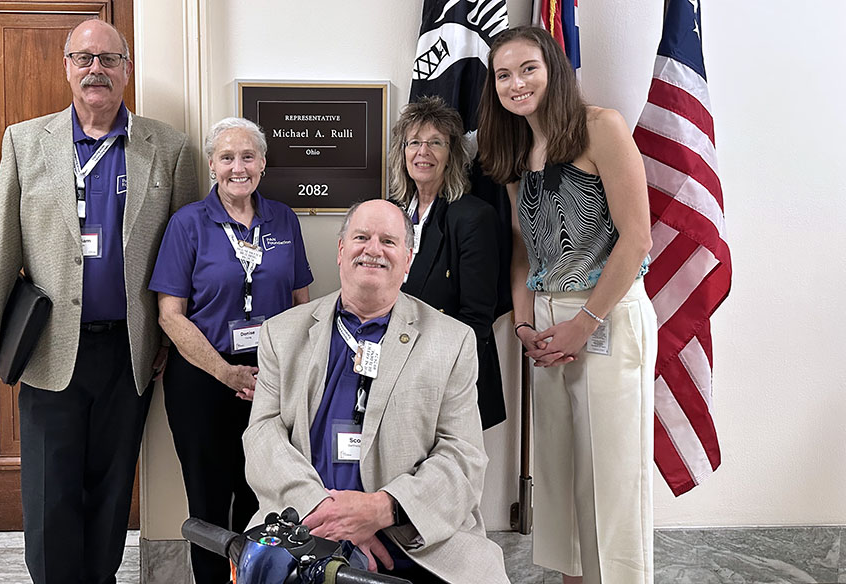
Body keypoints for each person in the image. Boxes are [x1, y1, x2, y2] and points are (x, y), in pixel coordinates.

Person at [0, 19, 197, 583]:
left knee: (112, 484)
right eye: (84, 58)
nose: (96, 69)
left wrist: (175, 333)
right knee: (50, 488)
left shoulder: (167, 147)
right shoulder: (26, 141)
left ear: (126, 69)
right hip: (49, 347)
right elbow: (2, 244)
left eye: (108, 58)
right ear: (67, 67)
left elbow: (185, 251)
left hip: (130, 350)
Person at [242, 199, 509, 584]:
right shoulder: (282, 334)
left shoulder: (452, 341)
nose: (373, 249)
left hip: (416, 541)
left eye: (388, 241)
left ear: (408, 259)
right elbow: (262, 435)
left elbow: (463, 458)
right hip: (304, 530)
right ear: (340, 250)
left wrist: (382, 509)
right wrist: (325, 511)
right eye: (361, 237)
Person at [477, 26, 657, 584]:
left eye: (527, 67)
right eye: (503, 74)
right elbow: (523, 254)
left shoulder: (601, 127)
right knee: (557, 469)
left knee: (610, 470)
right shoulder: (514, 150)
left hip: (608, 313)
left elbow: (637, 240)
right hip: (549, 322)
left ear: (553, 68)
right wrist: (525, 323)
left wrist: (586, 322)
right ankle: (570, 578)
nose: (516, 83)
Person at [149, 117, 312, 583]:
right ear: (212, 164)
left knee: (265, 498)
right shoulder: (188, 224)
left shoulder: (283, 219)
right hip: (204, 381)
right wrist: (227, 374)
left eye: (248, 156)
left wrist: (283, 376)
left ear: (263, 162)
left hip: (271, 382)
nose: (238, 167)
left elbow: (301, 306)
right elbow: (170, 315)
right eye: (227, 157)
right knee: (208, 502)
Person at [390, 96, 505, 430]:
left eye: (435, 143)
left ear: (452, 155)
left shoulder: (473, 217)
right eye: (414, 142)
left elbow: (476, 319)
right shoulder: (389, 211)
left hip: (448, 379)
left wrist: (434, 375)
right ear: (403, 152)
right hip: (393, 371)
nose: (423, 152)